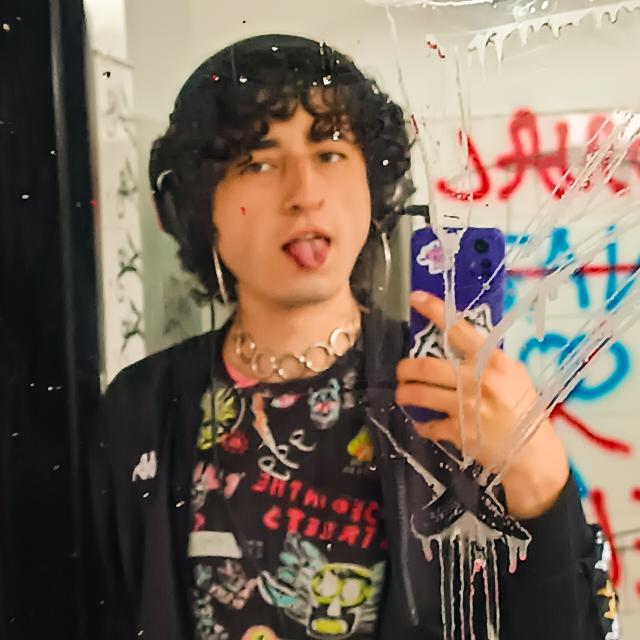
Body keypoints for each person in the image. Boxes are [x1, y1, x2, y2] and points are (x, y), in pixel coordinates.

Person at [90, 34, 619, 640]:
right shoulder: (140, 409)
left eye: (331, 153)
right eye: (257, 163)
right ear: (198, 207)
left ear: (374, 186)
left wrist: (541, 483)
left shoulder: (450, 393)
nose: (304, 194)